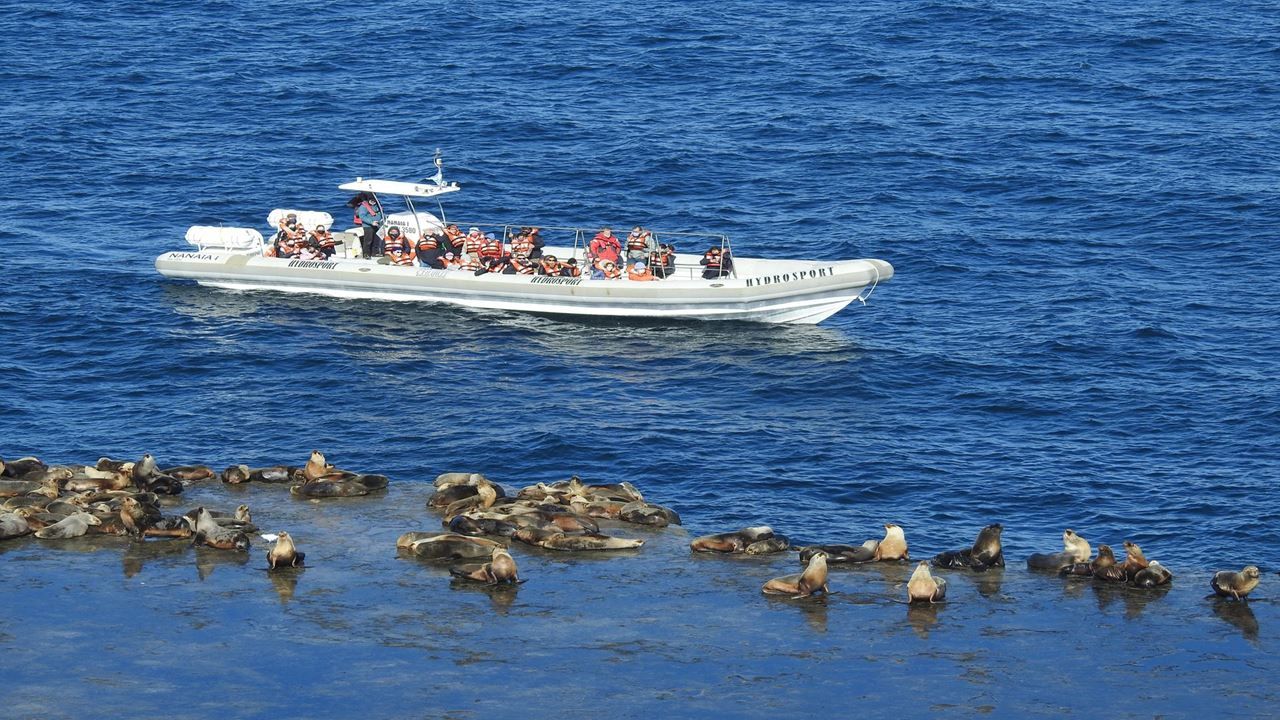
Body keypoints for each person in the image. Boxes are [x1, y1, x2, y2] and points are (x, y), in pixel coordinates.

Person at [353, 193, 385, 258]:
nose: (373, 202)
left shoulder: (377, 205)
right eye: (371, 201)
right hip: (368, 226)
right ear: (368, 200)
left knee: (377, 240)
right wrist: (371, 222)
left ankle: (374, 253)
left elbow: (380, 213)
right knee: (368, 241)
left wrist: (382, 220)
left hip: (378, 225)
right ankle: (366, 254)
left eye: (374, 201)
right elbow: (362, 216)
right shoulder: (363, 207)